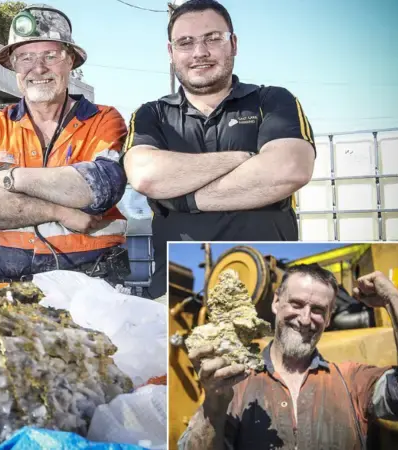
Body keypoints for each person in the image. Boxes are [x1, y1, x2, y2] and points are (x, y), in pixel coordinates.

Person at [122, 0, 315, 298]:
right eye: (185, 42)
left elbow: (289, 169)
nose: (200, 52)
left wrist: (183, 199)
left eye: (213, 38)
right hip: (177, 293)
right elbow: (146, 177)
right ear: (171, 53)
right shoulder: (151, 115)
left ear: (233, 43)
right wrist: (244, 159)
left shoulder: (273, 101)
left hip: (269, 288)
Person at [0, 4, 130, 283]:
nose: (38, 68)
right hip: (7, 289)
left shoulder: (103, 120)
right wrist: (58, 210)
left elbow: (99, 189)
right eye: (25, 57)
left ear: (70, 60)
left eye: (51, 55)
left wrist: (9, 178)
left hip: (94, 286)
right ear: (13, 65)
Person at [180, 265, 398, 449]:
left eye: (318, 310)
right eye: (296, 304)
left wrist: (395, 301)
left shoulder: (352, 380)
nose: (305, 319)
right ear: (276, 303)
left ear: (329, 318)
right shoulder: (233, 381)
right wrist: (213, 405)